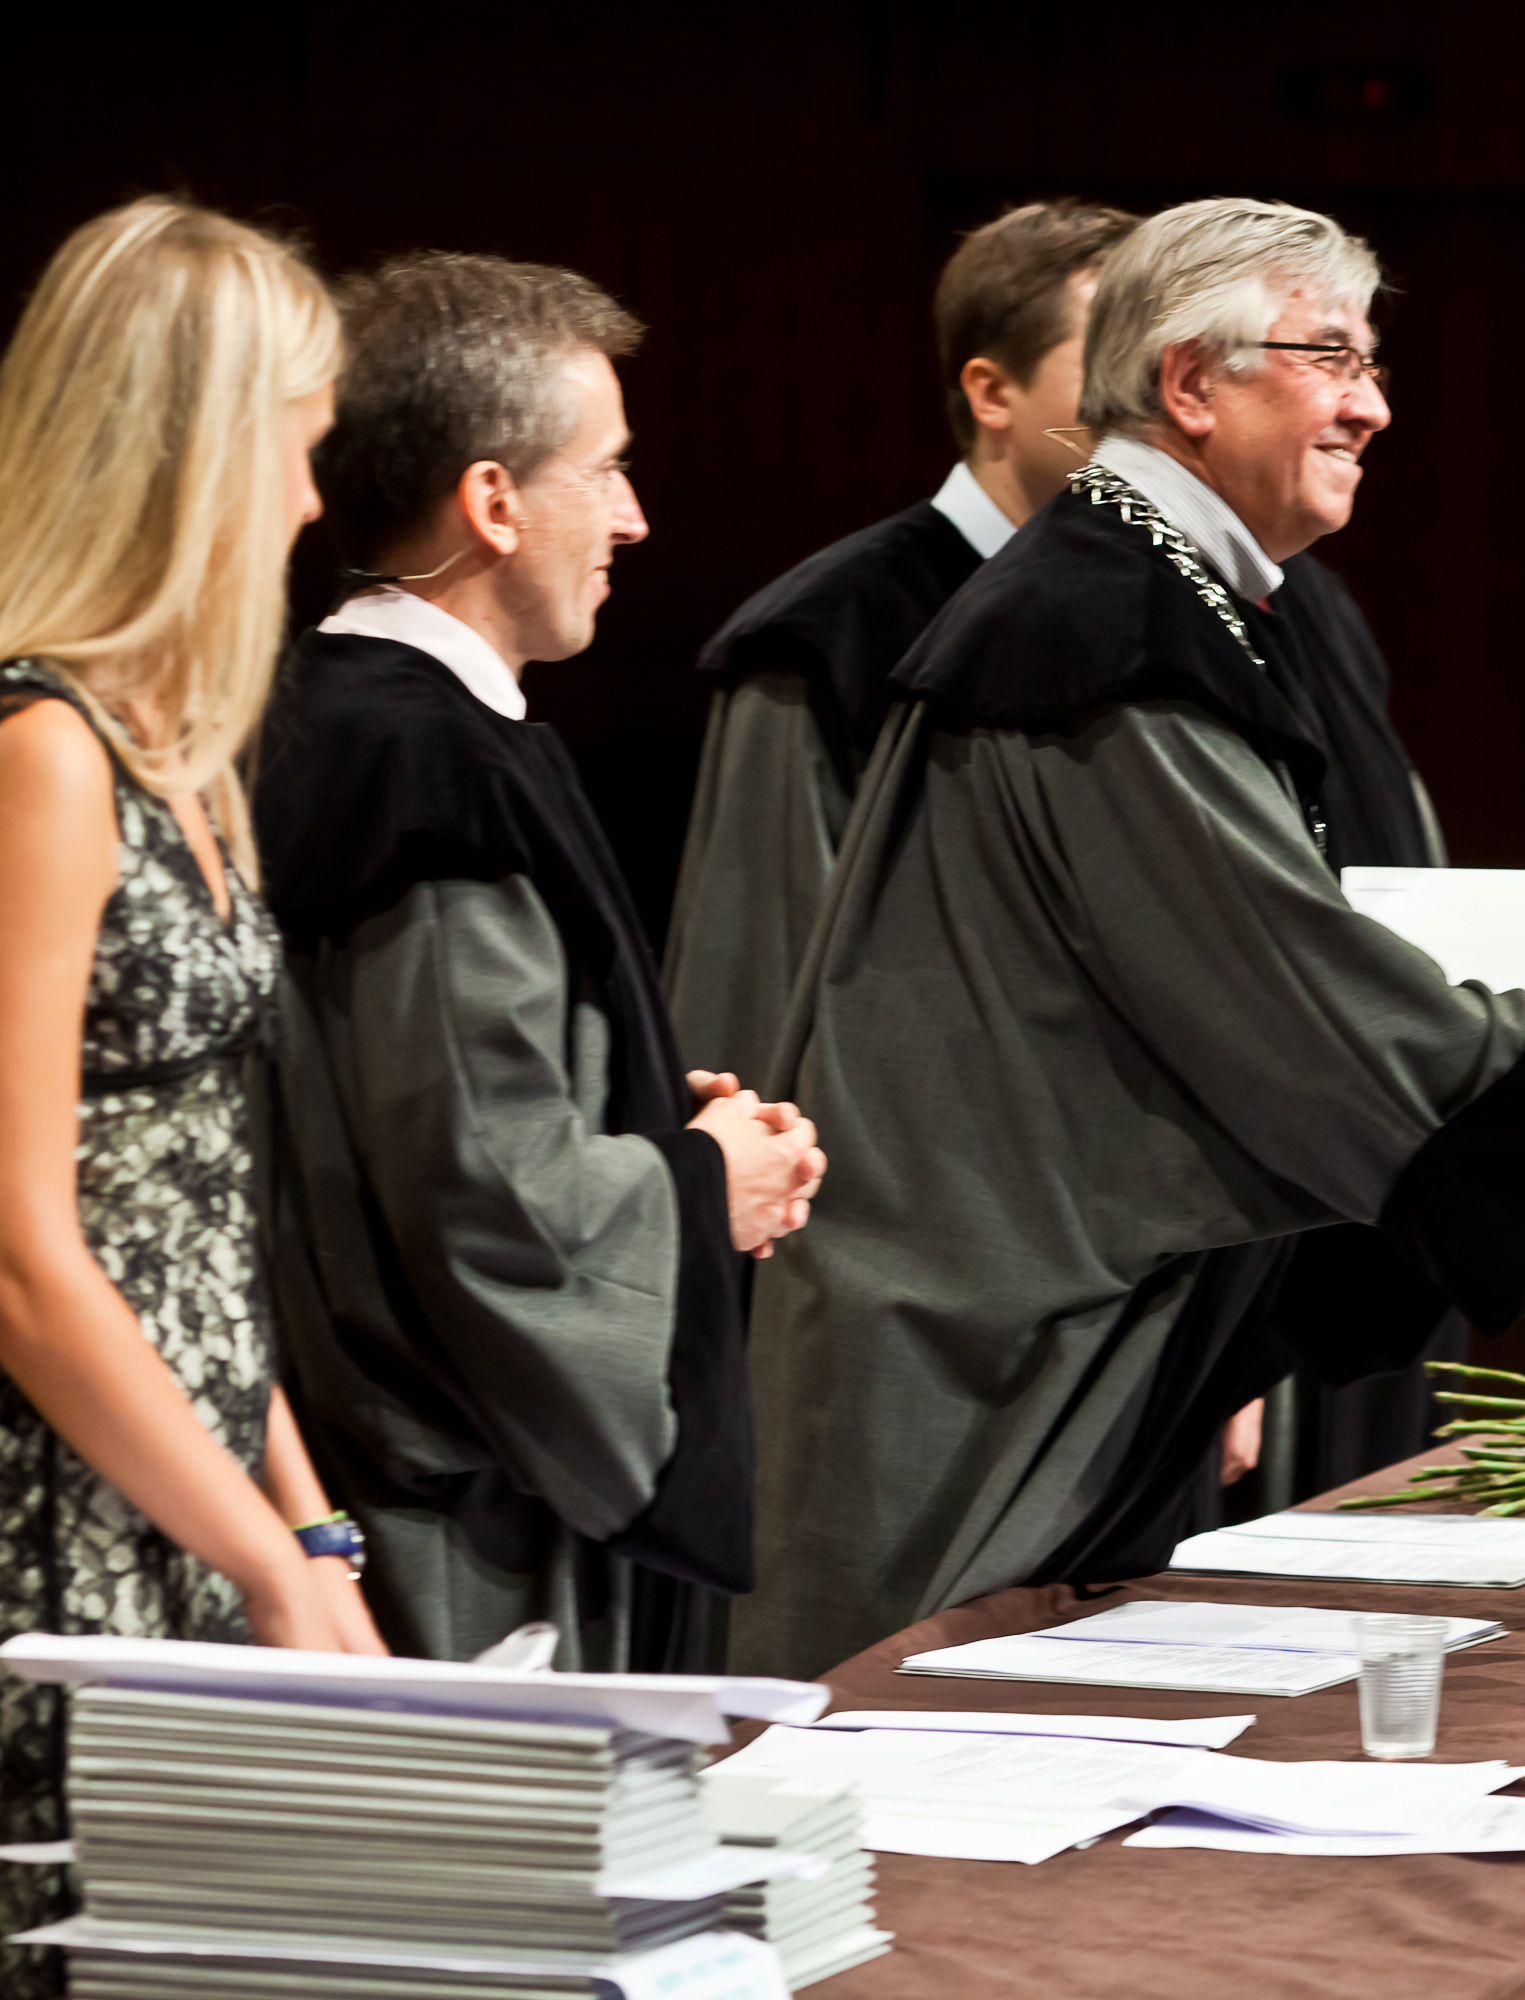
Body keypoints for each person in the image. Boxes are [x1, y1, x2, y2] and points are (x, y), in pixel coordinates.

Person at [728, 198, 1525, 1679]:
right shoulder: (1103, 634)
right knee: (897, 1748)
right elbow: (1299, 999)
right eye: (1329, 356)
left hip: (1042, 1305)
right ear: (1191, 384)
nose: (1372, 404)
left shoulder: (1164, 600)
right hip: (981, 1343)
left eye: (1371, 362)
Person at [257, 252, 825, 1673]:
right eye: (607, 469)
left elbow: (432, 1099)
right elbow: (484, 1192)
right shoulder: (420, 766)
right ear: (494, 502)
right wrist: (700, 1184)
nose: (633, 517)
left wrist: (646, 1112)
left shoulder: (350, 718)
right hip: (450, 1528)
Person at [0, 195, 382, 1996]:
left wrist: (306, 1530)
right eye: (297, 448)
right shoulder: (40, 753)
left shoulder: (181, 758)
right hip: (62, 1525)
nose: (311, 501)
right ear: (194, 460)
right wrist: (268, 1562)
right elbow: (23, 1256)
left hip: (199, 1499)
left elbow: (202, 1224)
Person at [663, 198, 1138, 1091]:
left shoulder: (1195, 612)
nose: (1151, 402)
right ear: (992, 393)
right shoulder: (827, 632)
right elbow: (759, 991)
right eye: (1112, 363)